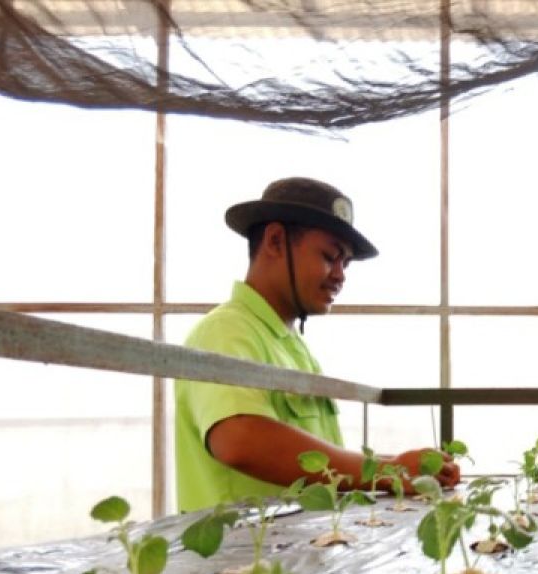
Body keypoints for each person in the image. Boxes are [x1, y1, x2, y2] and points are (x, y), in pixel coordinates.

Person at [175, 177, 459, 512]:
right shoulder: (226, 331)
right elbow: (240, 440)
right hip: (243, 559)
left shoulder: (290, 345)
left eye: (346, 263)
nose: (340, 274)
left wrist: (400, 465)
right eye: (329, 256)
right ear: (276, 241)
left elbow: (312, 460)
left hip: (291, 556)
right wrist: (391, 471)